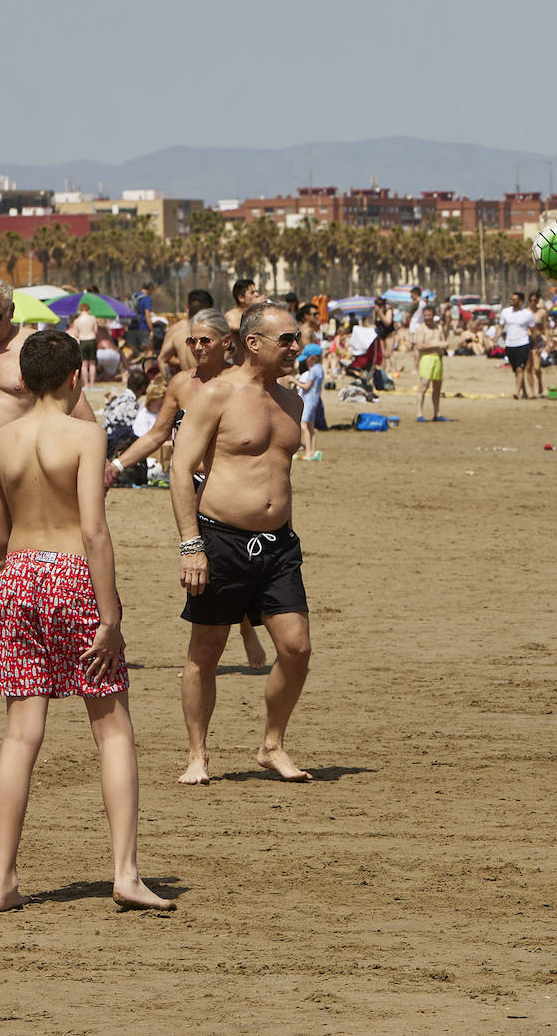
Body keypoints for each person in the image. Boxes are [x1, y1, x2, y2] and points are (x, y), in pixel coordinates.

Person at [0, 329, 172, 912]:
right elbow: (94, 529)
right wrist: (110, 615)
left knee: (20, 734)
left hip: (17, 576)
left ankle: (3, 880)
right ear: (76, 377)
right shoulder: (86, 434)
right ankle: (125, 872)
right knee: (111, 727)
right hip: (69, 574)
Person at [170, 301, 312, 785]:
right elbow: (179, 467)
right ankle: (198, 755)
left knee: (296, 649)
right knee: (205, 651)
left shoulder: (292, 401)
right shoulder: (217, 395)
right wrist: (191, 544)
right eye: (286, 339)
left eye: (297, 338)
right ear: (253, 343)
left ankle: (272, 744)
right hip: (221, 539)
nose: (297, 346)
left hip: (279, 546)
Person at [0, 277, 96, 672]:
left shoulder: (32, 349)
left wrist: (96, 464)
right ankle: (2, 646)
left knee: (53, 554)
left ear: (11, 312)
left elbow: (76, 404)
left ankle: (68, 637)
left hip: (35, 466)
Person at [110, 310, 271, 668]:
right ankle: (205, 657)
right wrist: (116, 466)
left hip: (229, 488)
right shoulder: (182, 384)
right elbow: (156, 434)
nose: (197, 347)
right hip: (191, 487)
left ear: (225, 343)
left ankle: (241, 630)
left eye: (205, 341)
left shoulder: (240, 382)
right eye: (192, 341)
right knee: (205, 569)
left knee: (233, 567)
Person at [158, 289, 214, 379]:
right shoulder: (213, 331)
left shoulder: (177, 332)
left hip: (185, 383)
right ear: (210, 311)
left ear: (188, 308)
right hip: (207, 383)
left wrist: (170, 383)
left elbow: (162, 359)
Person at [412, 304, 449, 421]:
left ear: (433, 315)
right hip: (426, 359)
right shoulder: (421, 328)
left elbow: (443, 342)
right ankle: (419, 414)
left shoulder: (438, 328)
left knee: (437, 388)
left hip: (438, 359)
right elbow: (419, 345)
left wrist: (444, 345)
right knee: (424, 386)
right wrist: (436, 344)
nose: (427, 318)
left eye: (429, 315)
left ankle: (436, 413)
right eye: (425, 315)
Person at [499, 291, 537, 400]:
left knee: (522, 368)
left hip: (523, 343)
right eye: (511, 299)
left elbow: (533, 330)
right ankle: (524, 391)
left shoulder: (527, 314)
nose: (511, 301)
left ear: (520, 302)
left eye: (514, 299)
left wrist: (535, 344)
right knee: (516, 369)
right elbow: (500, 327)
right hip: (510, 344)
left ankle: (517, 391)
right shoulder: (505, 312)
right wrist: (496, 338)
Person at [69, 301, 99, 388]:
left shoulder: (77, 321)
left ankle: (86, 384)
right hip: (92, 340)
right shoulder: (93, 318)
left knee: (84, 365)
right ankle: (92, 384)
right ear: (88, 310)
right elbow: (96, 331)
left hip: (83, 340)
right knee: (93, 363)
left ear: (80, 310)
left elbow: (76, 333)